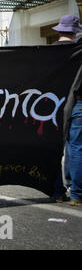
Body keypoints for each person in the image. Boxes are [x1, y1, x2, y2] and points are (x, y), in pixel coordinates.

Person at [51, 15, 82, 206]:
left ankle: (57, 191)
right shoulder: (79, 51)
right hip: (78, 102)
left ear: (60, 31)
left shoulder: (48, 52)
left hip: (52, 106)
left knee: (53, 148)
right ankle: (77, 194)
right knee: (76, 147)